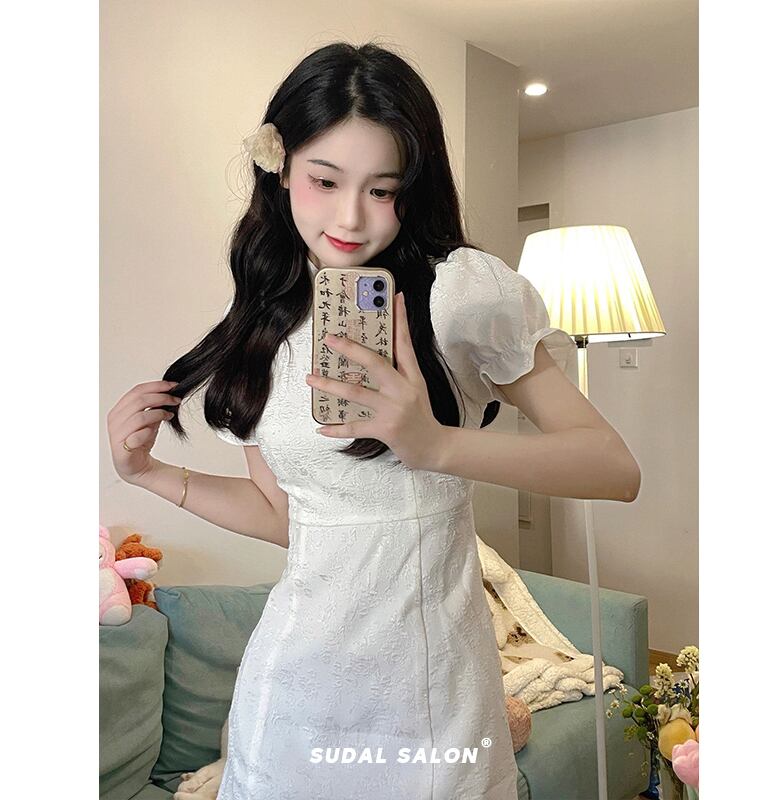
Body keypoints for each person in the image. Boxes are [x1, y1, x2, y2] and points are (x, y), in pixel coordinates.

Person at [106, 41, 641, 800]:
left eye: (382, 189)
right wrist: (150, 473)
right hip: (293, 692)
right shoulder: (261, 322)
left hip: (433, 690)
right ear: (281, 167)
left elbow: (613, 468)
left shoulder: (460, 293)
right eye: (324, 180)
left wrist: (435, 445)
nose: (350, 217)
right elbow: (287, 518)